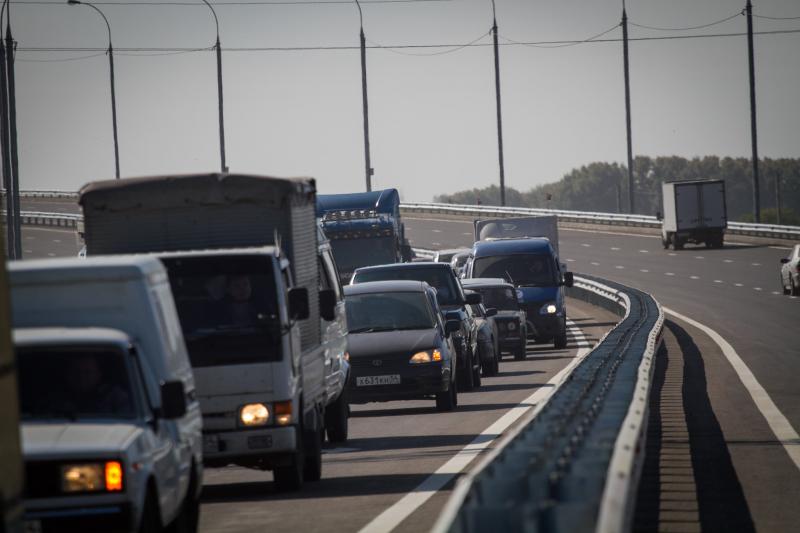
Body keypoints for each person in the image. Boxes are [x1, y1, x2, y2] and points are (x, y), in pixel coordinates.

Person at [64, 355, 131, 415]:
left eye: (87, 372)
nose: (81, 376)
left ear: (98, 375)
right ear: (69, 375)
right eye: (77, 372)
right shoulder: (60, 398)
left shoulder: (115, 396)